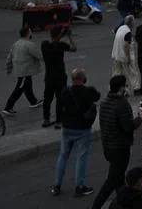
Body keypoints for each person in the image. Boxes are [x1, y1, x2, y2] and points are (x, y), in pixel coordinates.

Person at [91, 74, 142, 209]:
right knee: (112, 181)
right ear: (120, 88)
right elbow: (128, 127)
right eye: (125, 86)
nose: (126, 88)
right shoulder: (121, 104)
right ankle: (96, 206)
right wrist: (140, 118)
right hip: (120, 147)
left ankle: (125, 203)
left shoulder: (105, 102)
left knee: (119, 179)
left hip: (108, 145)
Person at [53, 68, 100, 197]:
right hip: (82, 128)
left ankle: (57, 184)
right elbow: (97, 96)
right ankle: (80, 186)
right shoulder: (88, 91)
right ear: (83, 79)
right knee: (81, 157)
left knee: (63, 156)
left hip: (67, 128)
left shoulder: (65, 91)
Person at [3, 25, 43, 115]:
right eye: (30, 31)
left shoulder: (16, 44)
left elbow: (10, 56)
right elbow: (39, 55)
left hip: (21, 70)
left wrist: (9, 67)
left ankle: (33, 101)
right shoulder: (29, 44)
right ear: (28, 33)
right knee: (20, 88)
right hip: (25, 71)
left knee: (27, 86)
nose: (31, 32)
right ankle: (8, 107)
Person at [112, 15, 136, 81]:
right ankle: (133, 89)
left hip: (116, 56)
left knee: (116, 74)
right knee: (130, 75)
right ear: (131, 23)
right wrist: (128, 58)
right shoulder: (128, 32)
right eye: (133, 22)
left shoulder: (120, 28)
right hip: (123, 57)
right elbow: (126, 45)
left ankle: (114, 88)